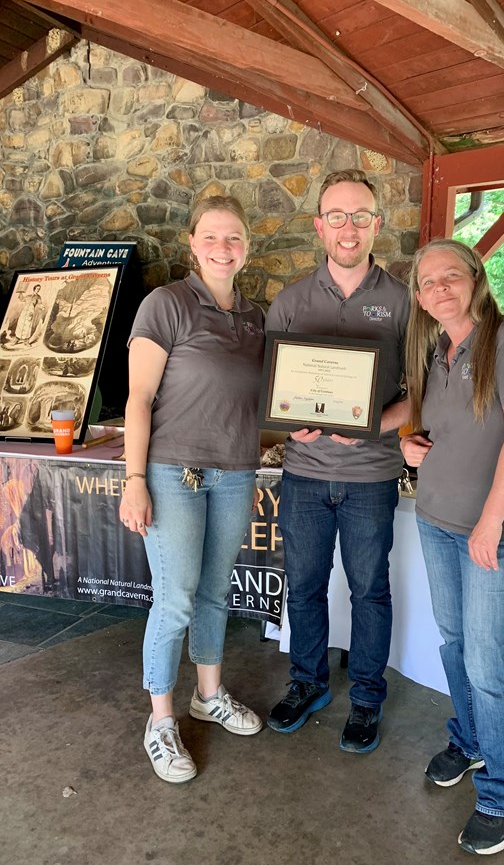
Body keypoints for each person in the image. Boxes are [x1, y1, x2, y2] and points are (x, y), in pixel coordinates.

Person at [400, 238, 504, 855]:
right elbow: (425, 421)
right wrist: (402, 442)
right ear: (419, 296)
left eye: (451, 276)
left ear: (475, 280)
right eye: (428, 281)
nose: (440, 288)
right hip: (436, 519)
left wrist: (490, 522)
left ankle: (503, 791)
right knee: (455, 641)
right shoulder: (437, 350)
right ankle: (467, 740)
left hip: (494, 532)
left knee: (488, 664)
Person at [119, 196, 266, 784]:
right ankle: (160, 720)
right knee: (175, 598)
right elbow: (138, 399)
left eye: (234, 238)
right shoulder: (167, 304)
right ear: (193, 245)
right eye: (212, 237)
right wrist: (133, 479)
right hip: (173, 475)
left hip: (235, 474)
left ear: (247, 248)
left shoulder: (258, 316)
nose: (223, 247)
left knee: (212, 594)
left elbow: (258, 399)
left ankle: (208, 695)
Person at [265, 169, 410, 753]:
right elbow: (270, 387)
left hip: (372, 478)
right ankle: (308, 684)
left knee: (369, 590)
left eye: (361, 216)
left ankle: (367, 698)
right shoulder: (291, 300)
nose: (349, 228)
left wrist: (375, 426)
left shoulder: (403, 300)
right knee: (303, 588)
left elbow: (422, 391)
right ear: (320, 226)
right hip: (303, 475)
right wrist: (282, 420)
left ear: (376, 224)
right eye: (338, 217)